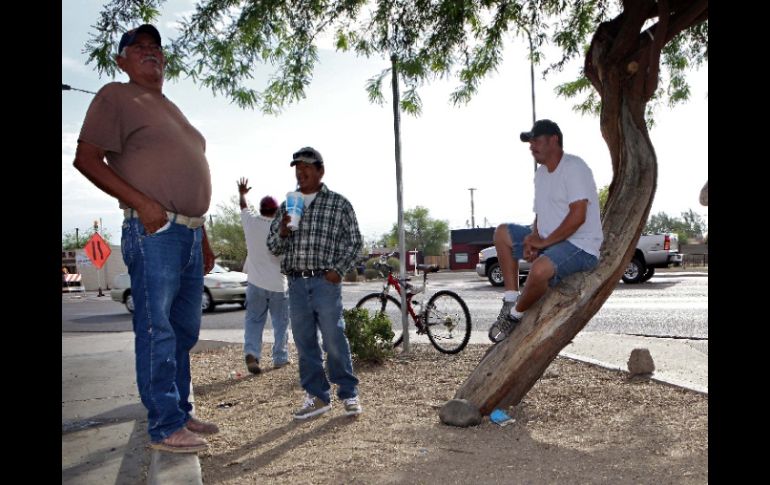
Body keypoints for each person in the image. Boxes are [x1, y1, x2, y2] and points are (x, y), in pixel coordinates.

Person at [72, 24, 219, 453]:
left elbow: (186, 173)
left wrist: (202, 236)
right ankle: (164, 426)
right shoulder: (116, 96)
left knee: (183, 331)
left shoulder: (170, 108)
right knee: (157, 330)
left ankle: (180, 411)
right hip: (154, 231)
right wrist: (144, 204)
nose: (150, 51)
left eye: (155, 46)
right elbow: (86, 158)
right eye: (138, 46)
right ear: (122, 61)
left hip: (189, 232)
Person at [267, 147, 363, 419]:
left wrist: (338, 270)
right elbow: (272, 246)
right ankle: (318, 397)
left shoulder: (338, 204)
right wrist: (283, 231)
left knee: (334, 338)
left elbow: (355, 242)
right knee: (305, 342)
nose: (301, 172)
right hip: (296, 283)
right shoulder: (287, 206)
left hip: (325, 282)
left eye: (307, 167)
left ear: (321, 171)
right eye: (297, 168)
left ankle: (348, 393)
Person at [490, 119, 604, 341]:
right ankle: (511, 299)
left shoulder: (574, 167)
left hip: (581, 246)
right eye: (530, 142)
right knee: (502, 234)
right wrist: (533, 238)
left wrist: (544, 243)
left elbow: (578, 216)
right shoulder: (541, 174)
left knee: (540, 269)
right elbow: (540, 214)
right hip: (550, 242)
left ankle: (514, 316)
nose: (531, 146)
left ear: (554, 140)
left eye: (536, 141)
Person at [237, 178, 291, 374]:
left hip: (255, 283)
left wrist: (242, 193)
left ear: (260, 209)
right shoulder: (281, 229)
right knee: (280, 324)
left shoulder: (250, 222)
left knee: (254, 321)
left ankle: (252, 353)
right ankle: (280, 358)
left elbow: (244, 207)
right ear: (276, 211)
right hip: (278, 285)